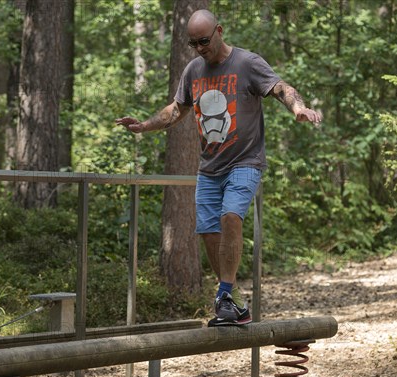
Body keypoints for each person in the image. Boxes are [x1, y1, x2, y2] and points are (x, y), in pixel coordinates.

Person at [116, 10, 322, 326]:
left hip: (245, 160)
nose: (199, 48)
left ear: (219, 31)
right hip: (210, 167)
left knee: (230, 216)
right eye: (193, 43)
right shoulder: (193, 70)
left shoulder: (247, 63)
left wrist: (298, 108)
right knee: (208, 231)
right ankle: (234, 300)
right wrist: (143, 126)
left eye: (204, 41)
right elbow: (177, 110)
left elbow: (281, 88)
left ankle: (223, 294)